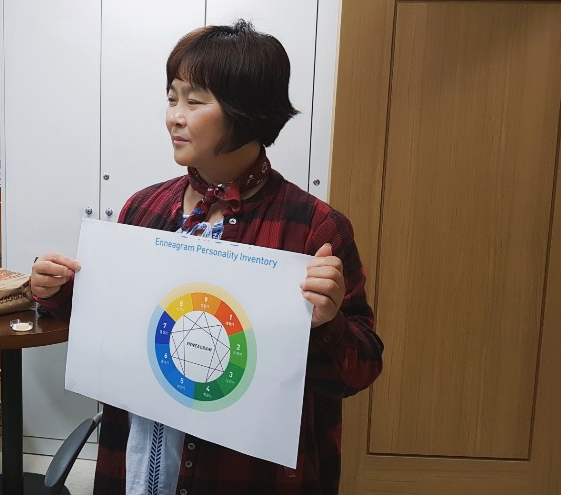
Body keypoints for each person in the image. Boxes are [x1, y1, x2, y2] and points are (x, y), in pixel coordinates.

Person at [31, 20, 384, 495]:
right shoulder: (144, 208)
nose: (174, 117)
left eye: (194, 102)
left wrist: (327, 322)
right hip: (136, 461)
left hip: (242, 473)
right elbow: (122, 330)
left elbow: (361, 369)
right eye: (172, 98)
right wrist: (60, 292)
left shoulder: (313, 227)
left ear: (249, 111)